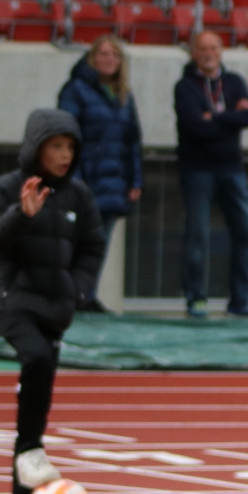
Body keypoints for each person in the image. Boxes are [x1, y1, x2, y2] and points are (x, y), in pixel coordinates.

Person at [0, 108, 106, 494]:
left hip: (55, 306)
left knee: (37, 397)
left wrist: (77, 289)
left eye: (70, 147)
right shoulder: (7, 188)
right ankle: (31, 452)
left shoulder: (79, 196)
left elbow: (93, 246)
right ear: (37, 149)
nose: (65, 155)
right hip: (12, 301)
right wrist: (21, 213)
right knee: (36, 359)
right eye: (56, 146)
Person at [173, 30, 248, 319]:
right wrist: (230, 121)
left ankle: (241, 302)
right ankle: (196, 299)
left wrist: (214, 117)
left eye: (213, 47)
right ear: (193, 52)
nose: (208, 53)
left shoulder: (234, 81)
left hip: (232, 169)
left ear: (221, 50)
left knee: (246, 232)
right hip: (197, 170)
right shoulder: (184, 87)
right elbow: (195, 126)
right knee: (198, 235)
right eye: (202, 48)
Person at [58, 34, 143, 311]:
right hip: (85, 179)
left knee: (99, 242)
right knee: (78, 240)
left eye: (115, 55)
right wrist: (73, 176)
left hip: (114, 181)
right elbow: (65, 134)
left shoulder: (123, 95)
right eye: (104, 54)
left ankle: (86, 294)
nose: (109, 60)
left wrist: (135, 180)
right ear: (92, 58)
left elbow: (132, 141)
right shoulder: (75, 90)